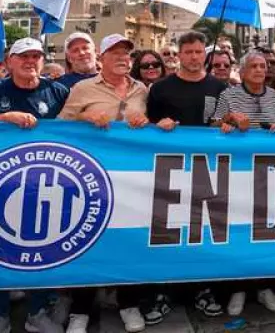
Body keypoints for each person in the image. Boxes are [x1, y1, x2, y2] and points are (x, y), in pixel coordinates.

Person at [57, 34, 150, 333]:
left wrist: (148, 123)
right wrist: (84, 115)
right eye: (116, 53)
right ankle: (81, 310)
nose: (123, 58)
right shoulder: (82, 88)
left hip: (133, 179)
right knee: (90, 241)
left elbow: (152, 128)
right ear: (102, 58)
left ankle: (129, 304)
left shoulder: (142, 89)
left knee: (130, 242)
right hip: (93, 181)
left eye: (127, 54)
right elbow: (59, 127)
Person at [146, 31, 228, 318]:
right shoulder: (159, 88)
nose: (194, 57)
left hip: (208, 171)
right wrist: (158, 124)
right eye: (188, 52)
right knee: (168, 232)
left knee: (202, 231)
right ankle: (164, 291)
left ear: (205, 54)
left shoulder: (220, 87)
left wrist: (228, 124)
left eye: (198, 52)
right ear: (178, 55)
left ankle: (202, 289)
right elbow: (146, 125)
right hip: (169, 171)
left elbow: (224, 121)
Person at [0, 38, 69, 333]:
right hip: (6, 184)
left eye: (36, 56)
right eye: (23, 56)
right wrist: (4, 118)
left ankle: (37, 311)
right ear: (9, 61)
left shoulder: (58, 91)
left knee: (46, 247)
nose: (30, 62)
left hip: (48, 185)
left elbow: (75, 126)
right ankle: (2, 313)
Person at [212, 51, 275, 317]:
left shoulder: (274, 96)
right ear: (241, 72)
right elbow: (212, 122)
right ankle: (238, 289)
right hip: (236, 173)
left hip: (266, 172)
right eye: (253, 66)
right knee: (239, 231)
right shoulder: (227, 95)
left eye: (263, 66)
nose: (259, 70)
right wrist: (228, 121)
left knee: (265, 231)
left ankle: (263, 287)